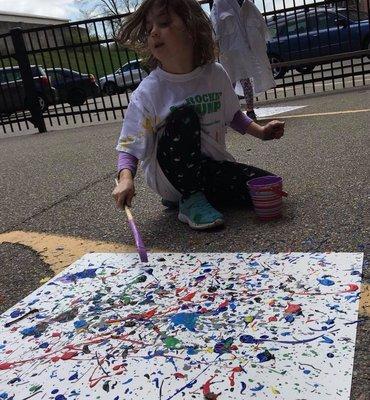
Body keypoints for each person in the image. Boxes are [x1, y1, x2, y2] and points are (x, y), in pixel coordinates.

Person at [112, 0, 284, 230]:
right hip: (168, 176)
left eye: (163, 23)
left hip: (210, 168)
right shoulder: (148, 92)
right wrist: (125, 180)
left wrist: (261, 132)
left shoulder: (215, 74)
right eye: (149, 27)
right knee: (184, 117)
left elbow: (232, 114)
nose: (153, 32)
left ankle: (188, 196)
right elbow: (130, 145)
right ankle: (188, 196)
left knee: (262, 186)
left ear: (192, 28)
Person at [210, 0, 276, 120]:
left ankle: (250, 110)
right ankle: (229, 112)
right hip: (228, 51)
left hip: (244, 49)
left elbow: (260, 26)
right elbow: (214, 28)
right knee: (229, 82)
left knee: (245, 80)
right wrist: (216, 47)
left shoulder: (247, 5)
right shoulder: (220, 4)